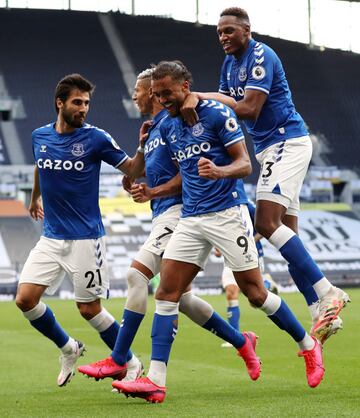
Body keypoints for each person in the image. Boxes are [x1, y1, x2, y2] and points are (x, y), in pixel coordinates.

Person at [112, 61, 325, 404]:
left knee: (255, 294)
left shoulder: (215, 114)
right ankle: (156, 380)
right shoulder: (167, 125)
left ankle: (307, 344)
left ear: (186, 87)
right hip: (192, 219)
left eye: (167, 92)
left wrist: (218, 171)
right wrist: (153, 192)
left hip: (228, 214)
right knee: (167, 293)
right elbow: (183, 175)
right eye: (157, 94)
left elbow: (245, 164)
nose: (162, 99)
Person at [78, 68, 260, 383]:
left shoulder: (176, 123)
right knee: (181, 298)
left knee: (136, 275)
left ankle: (120, 358)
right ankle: (242, 342)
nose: (134, 95)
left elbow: (187, 172)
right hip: (162, 212)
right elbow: (140, 172)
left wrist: (157, 189)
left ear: (152, 91)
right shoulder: (152, 129)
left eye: (137, 90)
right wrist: (138, 175)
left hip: (180, 211)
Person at [181, 7, 350, 344]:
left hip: (286, 141)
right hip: (270, 148)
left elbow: (247, 108)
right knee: (288, 235)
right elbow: (227, 108)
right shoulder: (229, 65)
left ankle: (328, 291)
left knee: (266, 224)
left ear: (246, 29)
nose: (223, 37)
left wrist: (200, 96)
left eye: (229, 31)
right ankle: (318, 308)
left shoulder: (261, 55)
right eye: (219, 33)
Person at [15, 73, 148, 387]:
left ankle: (130, 361)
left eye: (86, 103)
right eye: (77, 102)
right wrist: (35, 198)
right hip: (51, 237)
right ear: (60, 103)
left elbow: (133, 168)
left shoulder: (96, 138)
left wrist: (143, 146)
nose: (84, 108)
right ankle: (68, 347)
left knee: (89, 309)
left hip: (86, 239)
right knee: (25, 299)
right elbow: (40, 164)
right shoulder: (39, 136)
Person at [216, 200, 278, 348]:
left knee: (254, 299)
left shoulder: (246, 205)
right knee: (231, 293)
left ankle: (268, 284)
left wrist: (250, 240)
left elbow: (265, 227)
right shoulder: (216, 202)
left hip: (250, 254)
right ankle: (234, 336)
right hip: (230, 256)